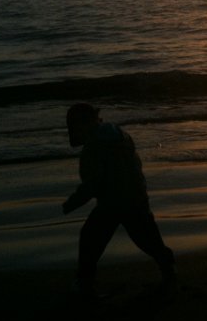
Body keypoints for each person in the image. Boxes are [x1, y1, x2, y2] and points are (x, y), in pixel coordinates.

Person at [63, 103, 175, 298]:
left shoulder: (93, 147)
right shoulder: (119, 134)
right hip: (136, 196)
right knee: (148, 240)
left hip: (112, 203)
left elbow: (92, 184)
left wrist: (71, 203)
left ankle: (85, 282)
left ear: (83, 124)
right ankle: (169, 270)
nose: (71, 132)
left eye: (73, 126)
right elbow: (134, 165)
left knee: (90, 239)